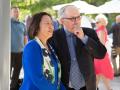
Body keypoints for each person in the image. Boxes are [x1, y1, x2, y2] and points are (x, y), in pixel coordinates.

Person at [48, 5, 107, 90]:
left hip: (87, 85)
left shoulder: (89, 33)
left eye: (78, 17)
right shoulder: (54, 37)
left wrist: (84, 38)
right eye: (72, 19)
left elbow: (101, 54)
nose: (76, 21)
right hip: (64, 86)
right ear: (61, 21)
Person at [20, 12, 65, 90]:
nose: (51, 26)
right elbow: (38, 78)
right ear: (36, 27)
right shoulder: (32, 46)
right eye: (47, 23)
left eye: (52, 23)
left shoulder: (50, 47)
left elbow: (56, 77)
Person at [94, 14, 114, 90]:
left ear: (102, 22)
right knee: (98, 75)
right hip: (99, 55)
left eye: (98, 22)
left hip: (100, 55)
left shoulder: (101, 30)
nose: (96, 23)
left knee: (101, 75)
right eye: (96, 22)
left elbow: (101, 44)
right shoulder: (101, 29)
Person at [10, 6, 28, 90]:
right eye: (14, 11)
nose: (16, 13)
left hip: (20, 53)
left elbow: (25, 38)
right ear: (10, 13)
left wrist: (26, 50)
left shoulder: (22, 25)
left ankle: (12, 88)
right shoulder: (7, 23)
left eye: (17, 11)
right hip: (9, 53)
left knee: (17, 73)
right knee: (7, 72)